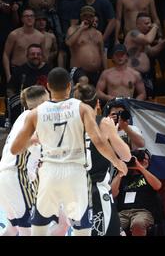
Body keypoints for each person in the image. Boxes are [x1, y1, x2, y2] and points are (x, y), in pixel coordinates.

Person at [10, 67, 127, 236]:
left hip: (49, 173)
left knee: (40, 229)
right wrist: (118, 163)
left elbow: (15, 149)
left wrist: (35, 140)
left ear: (48, 86)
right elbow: (99, 142)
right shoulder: (82, 108)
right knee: (82, 229)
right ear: (69, 86)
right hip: (75, 173)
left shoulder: (35, 113)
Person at [73, 83, 132, 236]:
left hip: (69, 191)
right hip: (94, 191)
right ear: (98, 103)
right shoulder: (103, 122)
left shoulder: (66, 124)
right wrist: (114, 134)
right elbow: (126, 156)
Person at [0, 86, 48, 236]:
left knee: (12, 229)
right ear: (43, 102)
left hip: (4, 175)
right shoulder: (35, 117)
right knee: (31, 229)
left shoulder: (22, 117)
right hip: (17, 176)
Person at [112, 149, 163, 236]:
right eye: (142, 159)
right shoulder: (123, 177)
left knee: (137, 223)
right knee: (112, 226)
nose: (145, 161)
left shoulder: (148, 175)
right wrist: (121, 171)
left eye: (146, 159)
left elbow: (158, 186)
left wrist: (140, 168)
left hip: (142, 212)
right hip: (123, 212)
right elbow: (112, 193)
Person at [66, 5, 107, 87]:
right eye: (85, 15)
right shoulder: (73, 29)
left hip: (95, 71)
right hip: (78, 69)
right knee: (84, 80)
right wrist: (81, 28)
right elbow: (69, 43)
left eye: (90, 16)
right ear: (81, 16)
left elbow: (102, 53)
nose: (88, 18)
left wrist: (106, 71)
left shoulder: (98, 34)